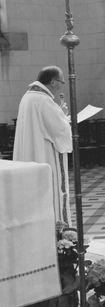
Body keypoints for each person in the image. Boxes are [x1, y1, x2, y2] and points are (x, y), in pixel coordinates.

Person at [13, 66, 73, 225]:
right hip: (45, 156)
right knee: (52, 194)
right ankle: (61, 231)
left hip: (31, 154)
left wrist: (59, 113)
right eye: (61, 81)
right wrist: (65, 117)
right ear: (53, 82)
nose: (62, 85)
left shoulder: (28, 96)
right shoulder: (44, 100)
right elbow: (60, 131)